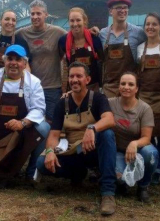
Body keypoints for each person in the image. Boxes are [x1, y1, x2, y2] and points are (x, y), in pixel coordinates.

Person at [37, 62, 117, 216]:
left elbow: (109, 119)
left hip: (92, 150)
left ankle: (108, 192)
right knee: (41, 164)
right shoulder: (62, 103)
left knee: (107, 134)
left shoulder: (98, 98)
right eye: (71, 76)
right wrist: (49, 151)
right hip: (72, 150)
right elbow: (53, 135)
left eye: (79, 76)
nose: (74, 80)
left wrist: (92, 128)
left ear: (87, 79)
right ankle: (77, 174)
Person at [0, 45, 49, 186]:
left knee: (44, 127)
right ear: (3, 61)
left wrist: (23, 123)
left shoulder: (34, 82)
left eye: (18, 59)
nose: (13, 63)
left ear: (24, 64)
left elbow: (39, 109)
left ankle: (32, 174)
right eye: (10, 59)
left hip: (18, 135)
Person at [136, 13, 160, 186]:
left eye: (154, 24)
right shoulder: (139, 48)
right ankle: (148, 164)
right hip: (144, 97)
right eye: (148, 24)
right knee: (147, 135)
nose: (150, 27)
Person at [109, 72, 158, 202]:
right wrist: (68, 94)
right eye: (123, 83)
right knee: (119, 180)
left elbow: (147, 138)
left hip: (138, 150)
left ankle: (143, 186)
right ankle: (123, 183)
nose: (126, 87)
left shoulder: (145, 109)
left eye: (131, 84)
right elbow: (91, 101)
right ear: (119, 87)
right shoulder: (110, 103)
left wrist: (134, 144)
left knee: (151, 154)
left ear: (136, 89)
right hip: (118, 151)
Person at [16, 0, 67, 123]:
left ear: (46, 15)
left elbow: (76, 37)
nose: (35, 17)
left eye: (38, 13)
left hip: (52, 87)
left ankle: (49, 143)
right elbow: (7, 38)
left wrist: (91, 32)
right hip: (30, 87)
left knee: (51, 121)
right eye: (32, 14)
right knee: (29, 121)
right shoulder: (21, 34)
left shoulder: (58, 32)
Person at [99, 0, 146, 97]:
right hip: (109, 88)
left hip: (129, 88)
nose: (122, 10)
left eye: (125, 8)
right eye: (119, 8)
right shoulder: (103, 34)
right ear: (111, 11)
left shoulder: (138, 32)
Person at [58, 7, 103, 92]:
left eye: (78, 20)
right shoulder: (63, 41)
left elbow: (103, 61)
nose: (75, 24)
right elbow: (59, 62)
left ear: (84, 21)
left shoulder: (94, 39)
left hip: (93, 87)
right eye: (72, 20)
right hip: (74, 87)